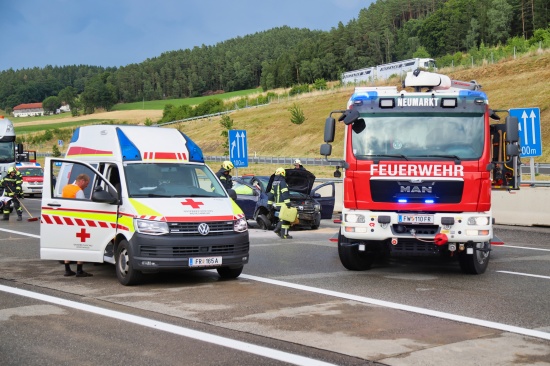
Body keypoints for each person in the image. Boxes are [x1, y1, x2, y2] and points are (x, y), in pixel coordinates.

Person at [61, 173, 93, 277]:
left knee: (68, 244)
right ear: (82, 181)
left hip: (66, 220)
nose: (87, 186)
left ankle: (67, 269)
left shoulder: (66, 188)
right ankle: (79, 270)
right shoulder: (78, 191)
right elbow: (82, 207)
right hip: (77, 221)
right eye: (87, 184)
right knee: (81, 244)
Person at [267, 167, 293, 239]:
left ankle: (282, 233)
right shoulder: (283, 183)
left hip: (277, 204)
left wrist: (269, 204)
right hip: (283, 204)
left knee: (282, 218)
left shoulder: (274, 183)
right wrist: (288, 204)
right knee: (285, 219)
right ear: (283, 173)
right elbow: (285, 194)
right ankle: (282, 233)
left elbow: (271, 195)